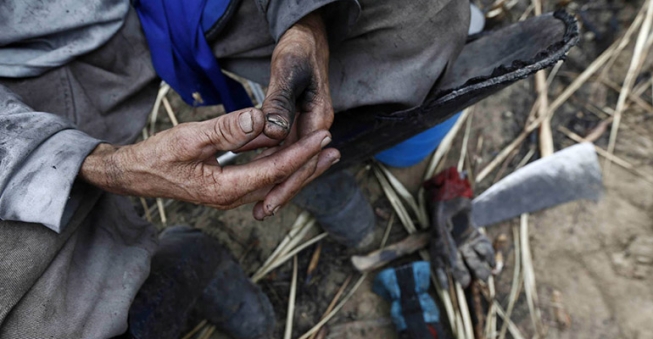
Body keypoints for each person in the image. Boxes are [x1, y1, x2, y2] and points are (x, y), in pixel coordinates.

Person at [0, 0, 470, 338]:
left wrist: (304, 22)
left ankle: (308, 158)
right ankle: (172, 278)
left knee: (418, 14)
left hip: (153, 6)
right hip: (13, 100)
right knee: (31, 291)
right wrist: (106, 166)